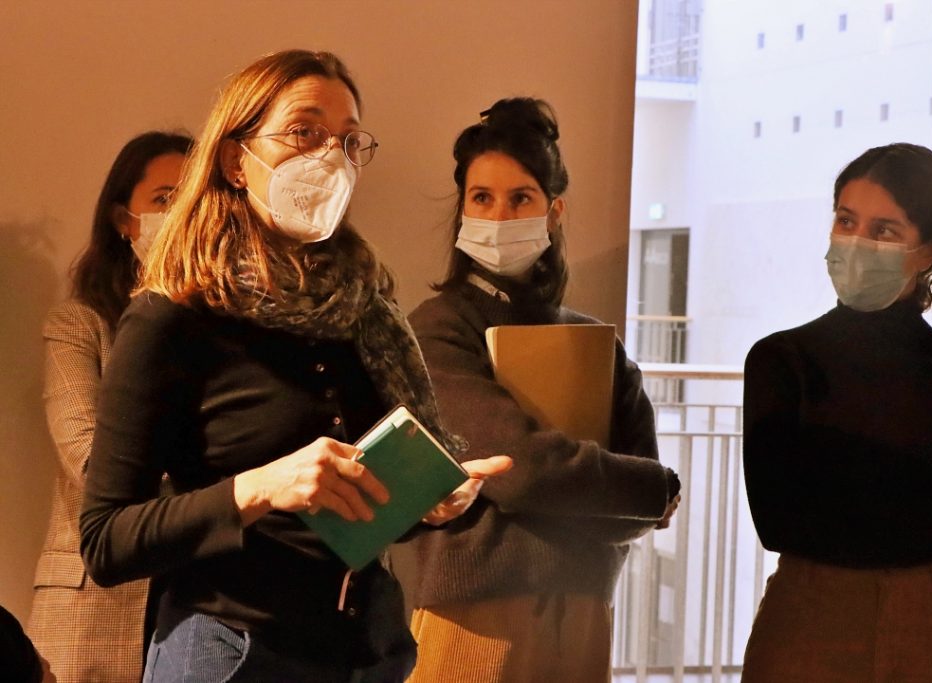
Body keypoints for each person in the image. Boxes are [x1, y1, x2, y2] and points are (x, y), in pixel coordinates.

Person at [78, 49, 510, 682]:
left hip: (364, 650)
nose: (329, 156)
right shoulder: (172, 316)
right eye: (304, 131)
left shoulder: (364, 310)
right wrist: (260, 487)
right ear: (235, 160)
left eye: (348, 140)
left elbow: (350, 513)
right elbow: (106, 541)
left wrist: (427, 500)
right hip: (234, 651)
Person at [393, 97, 681, 683]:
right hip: (473, 616)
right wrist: (649, 490)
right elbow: (520, 468)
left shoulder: (593, 341)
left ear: (553, 211)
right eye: (482, 198)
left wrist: (629, 494)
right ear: (462, 209)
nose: (500, 215)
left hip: (584, 608)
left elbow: (634, 495)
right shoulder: (438, 328)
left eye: (521, 198)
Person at [741, 143, 932, 682]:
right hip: (806, 620)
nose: (857, 242)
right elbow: (779, 521)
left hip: (930, 626)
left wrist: (837, 483)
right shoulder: (780, 360)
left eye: (884, 230)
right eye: (846, 221)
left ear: (928, 252)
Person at [26, 131, 191, 683]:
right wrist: (220, 492)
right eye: (164, 199)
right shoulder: (80, 324)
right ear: (124, 219)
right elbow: (89, 458)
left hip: (197, 597)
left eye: (194, 199)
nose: (181, 215)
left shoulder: (228, 330)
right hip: (90, 603)